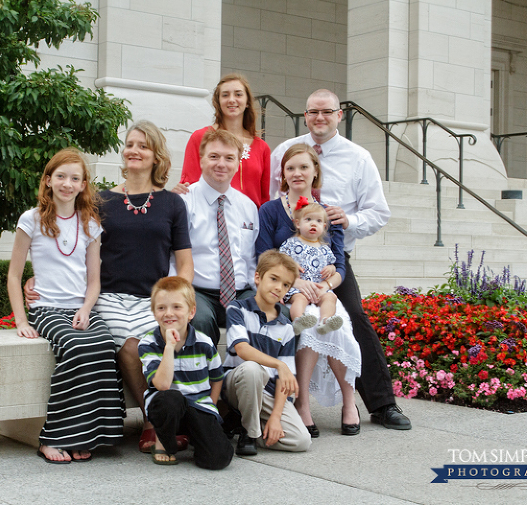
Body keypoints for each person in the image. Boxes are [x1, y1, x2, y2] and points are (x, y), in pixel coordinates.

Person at [25, 121, 194, 454]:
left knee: (158, 345)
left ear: (156, 155)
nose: (134, 150)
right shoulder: (100, 201)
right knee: (131, 347)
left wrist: (179, 302)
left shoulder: (173, 204)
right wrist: (37, 278)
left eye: (142, 146)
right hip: (109, 297)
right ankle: (154, 421)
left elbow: (185, 262)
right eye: (130, 144)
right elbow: (69, 246)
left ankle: (182, 417)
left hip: (153, 300)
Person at [270, 89, 411, 430]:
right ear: (305, 115)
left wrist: (349, 221)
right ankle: (281, 401)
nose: (320, 117)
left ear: (339, 115)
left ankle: (382, 405)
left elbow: (379, 212)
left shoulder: (358, 158)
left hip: (332, 258)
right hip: (285, 262)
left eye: (327, 111)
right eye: (313, 112)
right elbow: (271, 197)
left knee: (356, 317)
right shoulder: (284, 151)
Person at [7, 148, 123, 463]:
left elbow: (94, 281)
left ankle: (85, 435)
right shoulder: (30, 220)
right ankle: (53, 437)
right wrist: (21, 320)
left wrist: (86, 309)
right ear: (48, 180)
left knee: (103, 345)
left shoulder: (90, 223)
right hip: (46, 309)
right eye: (60, 176)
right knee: (74, 347)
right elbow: (15, 274)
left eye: (74, 178)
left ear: (84, 184)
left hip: (81, 308)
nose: (67, 184)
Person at [258, 144, 361, 437]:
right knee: (309, 327)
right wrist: (293, 282)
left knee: (335, 326)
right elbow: (264, 256)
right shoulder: (269, 210)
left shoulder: (327, 213)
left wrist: (325, 285)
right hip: (288, 291)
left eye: (304, 167)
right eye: (290, 168)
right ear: (283, 174)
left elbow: (339, 264)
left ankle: (349, 402)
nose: (297, 173)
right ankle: (302, 402)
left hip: (323, 289)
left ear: (316, 171)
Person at [137, 277, 234, 469]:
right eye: (161, 308)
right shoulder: (148, 344)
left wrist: (211, 408)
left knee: (219, 458)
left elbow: (216, 378)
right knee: (170, 398)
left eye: (176, 307)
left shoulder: (204, 343)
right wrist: (169, 347)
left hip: (196, 407)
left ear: (191, 312)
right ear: (154, 313)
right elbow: (162, 385)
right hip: (166, 409)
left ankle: (197, 438)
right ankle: (163, 441)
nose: (169, 313)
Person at [222, 250, 312, 455]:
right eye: (274, 279)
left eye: (286, 285)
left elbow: (284, 380)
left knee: (301, 441)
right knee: (253, 370)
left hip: (267, 392)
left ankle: (245, 423)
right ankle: (250, 434)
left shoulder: (286, 327)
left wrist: (275, 418)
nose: (279, 287)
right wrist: (278, 364)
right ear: (258, 277)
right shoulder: (237, 309)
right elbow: (242, 349)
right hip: (237, 385)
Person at [177, 129, 259, 347]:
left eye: (229, 158)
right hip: (199, 291)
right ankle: (204, 379)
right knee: (200, 320)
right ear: (201, 160)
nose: (221, 164)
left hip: (241, 292)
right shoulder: (184, 202)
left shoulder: (248, 207)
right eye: (214, 156)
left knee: (270, 315)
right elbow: (172, 257)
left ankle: (255, 378)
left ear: (238, 163)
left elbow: (250, 259)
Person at [173, 73, 271, 206]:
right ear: (218, 102)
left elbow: (264, 198)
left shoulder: (262, 147)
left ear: (247, 101)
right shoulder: (200, 138)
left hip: (250, 222)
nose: (231, 100)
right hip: (209, 218)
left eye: (238, 94)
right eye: (225, 95)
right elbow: (189, 186)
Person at [281, 200, 344, 335]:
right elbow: (280, 260)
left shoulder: (325, 248)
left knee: (330, 298)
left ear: (324, 226)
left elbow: (332, 265)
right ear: (298, 223)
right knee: (300, 299)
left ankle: (325, 321)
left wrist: (331, 269)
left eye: (318, 221)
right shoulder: (291, 243)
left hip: (319, 288)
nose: (313, 223)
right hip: (298, 288)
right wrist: (290, 264)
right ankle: (298, 320)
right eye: (308, 219)